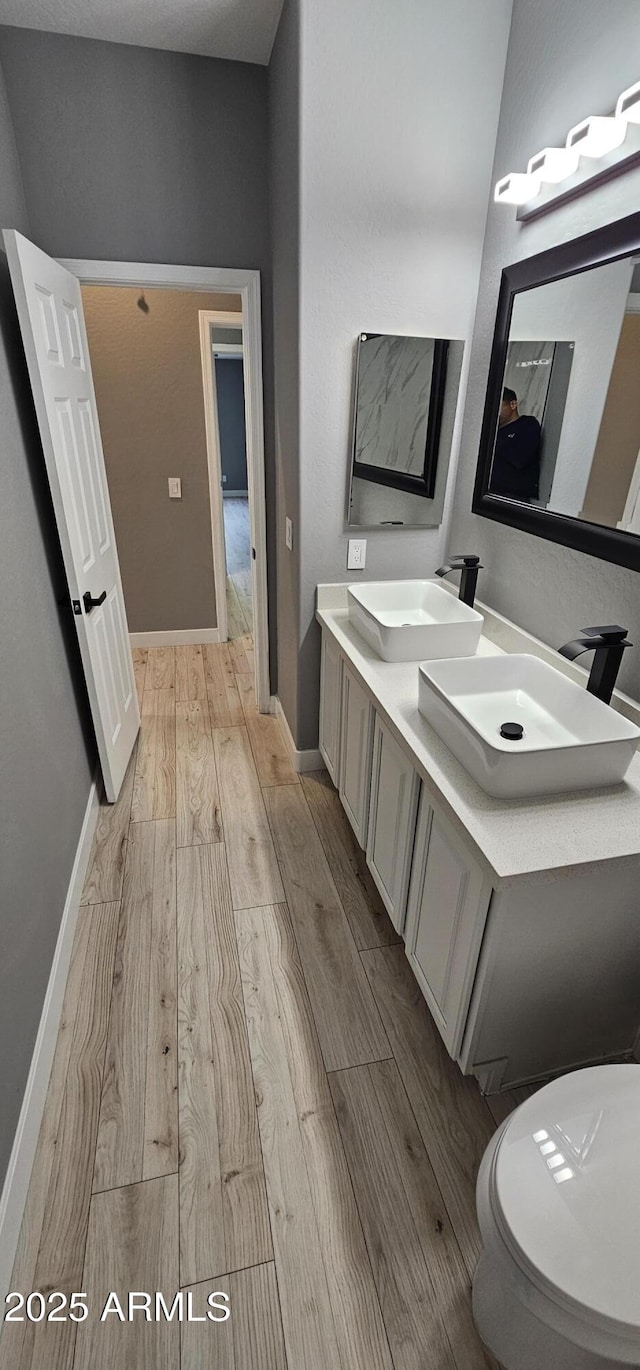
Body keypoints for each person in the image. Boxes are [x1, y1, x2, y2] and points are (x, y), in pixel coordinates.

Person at [491, 386, 542, 501]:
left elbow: (519, 457)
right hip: (489, 493)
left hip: (514, 497)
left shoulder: (527, 425)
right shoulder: (493, 430)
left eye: (497, 405)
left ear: (513, 404)